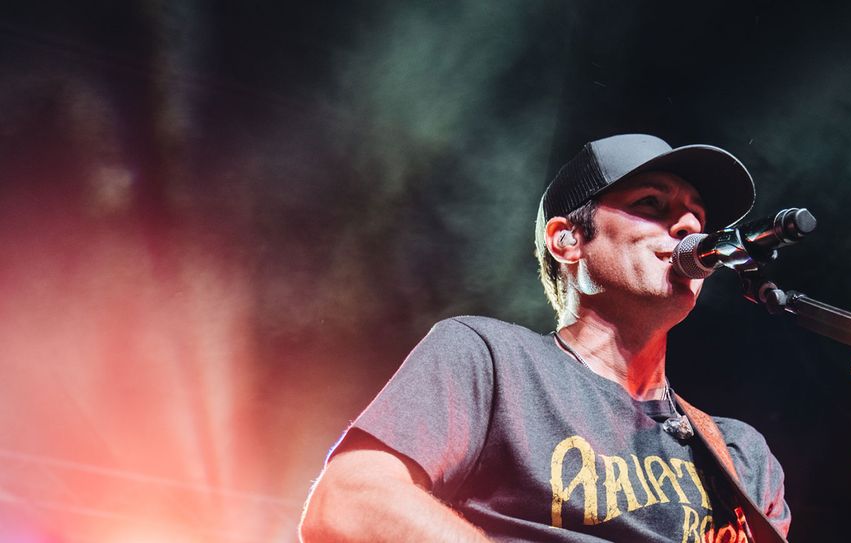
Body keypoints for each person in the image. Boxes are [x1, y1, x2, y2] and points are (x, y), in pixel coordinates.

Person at [299, 134, 791, 542]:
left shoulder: (741, 453)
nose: (688, 226)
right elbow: (348, 502)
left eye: (696, 217)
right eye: (651, 203)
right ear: (568, 240)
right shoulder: (491, 358)